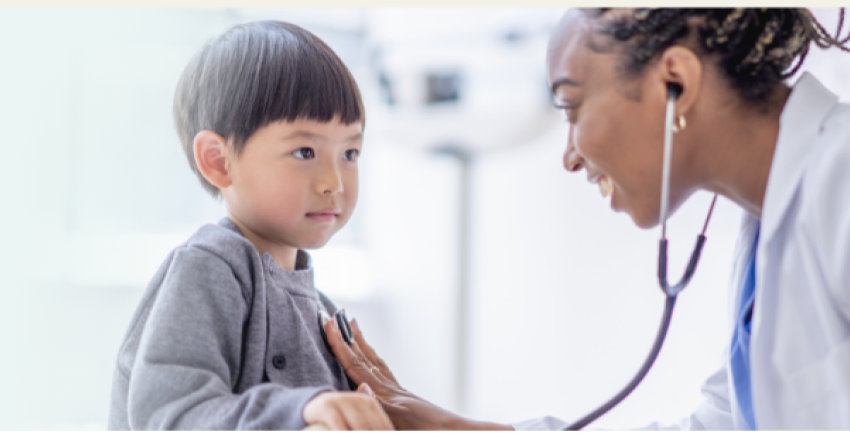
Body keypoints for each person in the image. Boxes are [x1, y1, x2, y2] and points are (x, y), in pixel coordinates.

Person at [322, 7, 850, 430]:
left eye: (572, 107)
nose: (569, 156)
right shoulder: (770, 226)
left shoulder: (839, 177)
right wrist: (450, 427)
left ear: (676, 83)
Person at [107, 21, 392, 431]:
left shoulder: (322, 311)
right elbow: (170, 415)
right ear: (218, 161)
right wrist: (302, 409)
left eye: (350, 152)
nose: (334, 182)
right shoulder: (209, 268)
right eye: (305, 150)